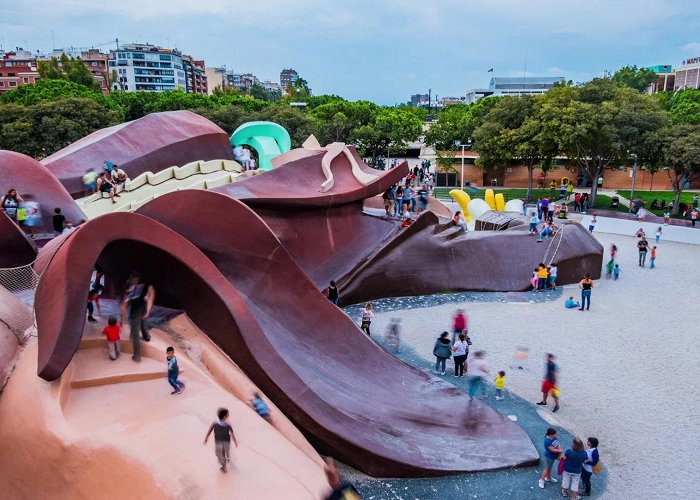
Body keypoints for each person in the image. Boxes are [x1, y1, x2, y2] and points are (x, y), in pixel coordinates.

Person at [121, 272, 155, 362]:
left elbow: (124, 307)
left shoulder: (129, 290)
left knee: (135, 332)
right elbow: (149, 299)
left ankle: (137, 356)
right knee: (142, 321)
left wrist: (123, 322)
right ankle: (146, 336)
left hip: (136, 310)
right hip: (142, 306)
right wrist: (147, 311)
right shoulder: (145, 286)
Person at [203, 408, 238, 473]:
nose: (228, 416)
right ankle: (226, 461)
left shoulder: (216, 423)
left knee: (220, 454)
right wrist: (235, 442)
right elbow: (232, 434)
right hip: (225, 442)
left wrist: (206, 438)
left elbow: (209, 431)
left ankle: (224, 467)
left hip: (220, 442)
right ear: (224, 416)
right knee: (222, 453)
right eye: (228, 415)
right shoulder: (227, 424)